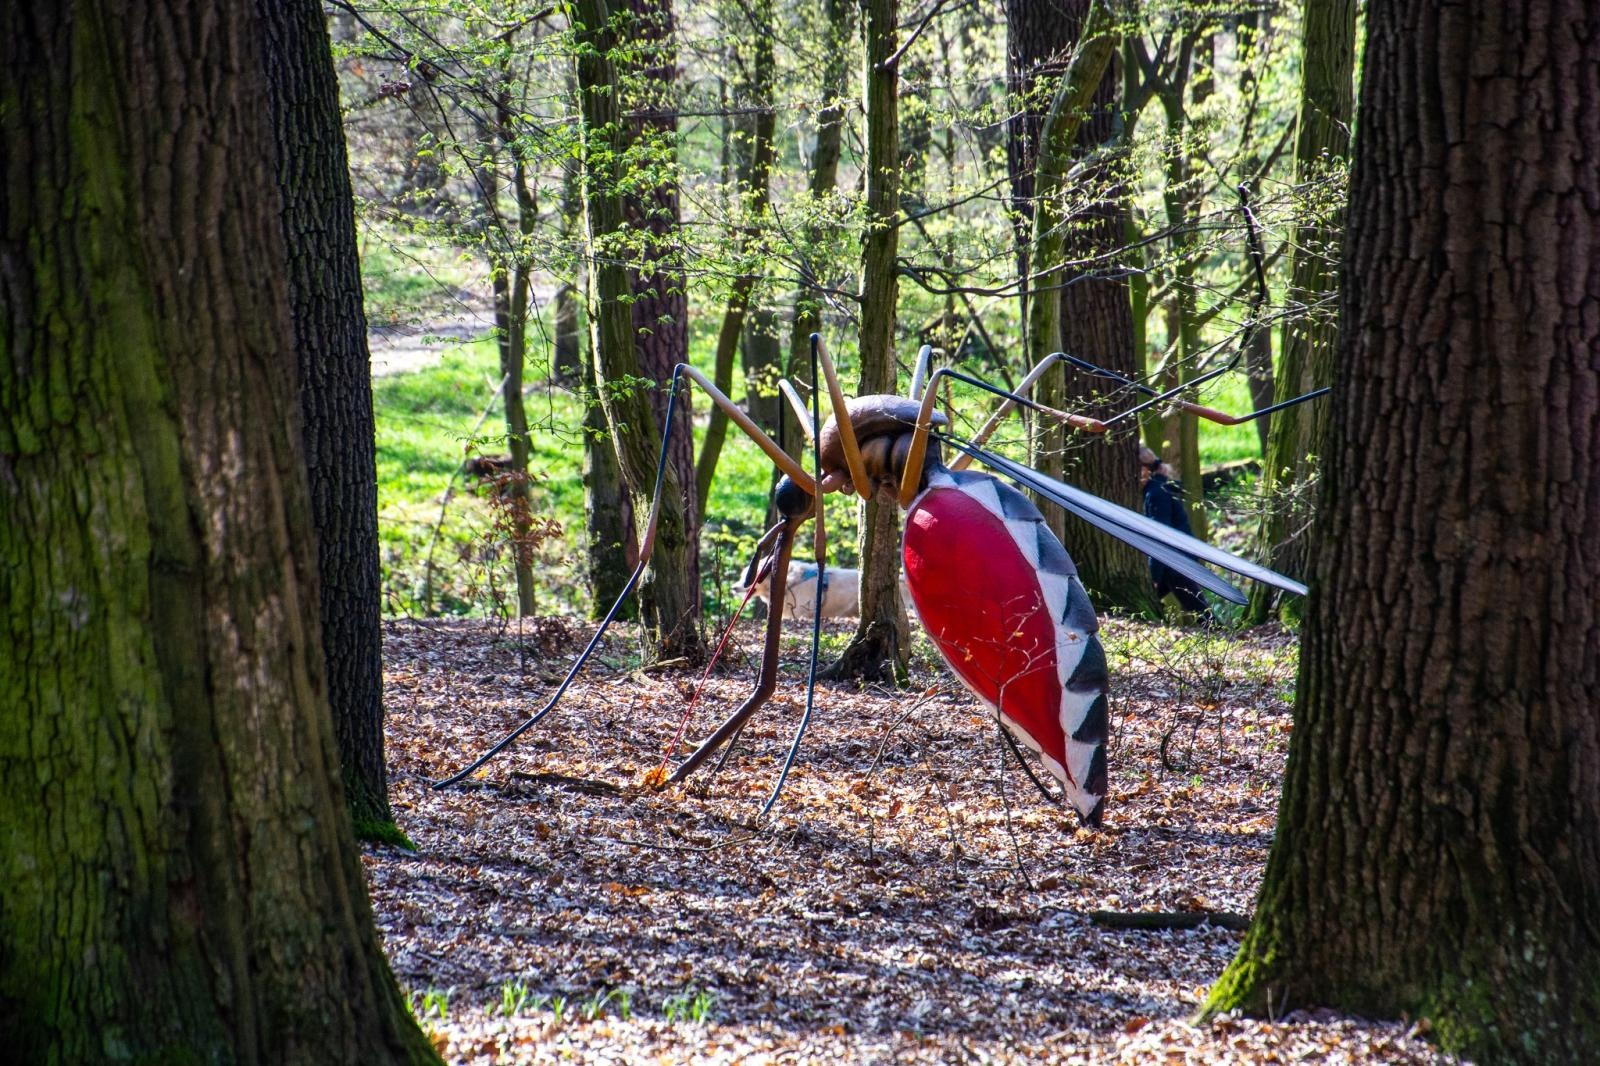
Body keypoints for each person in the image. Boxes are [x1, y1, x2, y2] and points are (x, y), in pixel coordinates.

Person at [1139, 446, 1214, 622]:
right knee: (1198, 608)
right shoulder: (1160, 488)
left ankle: (1225, 637)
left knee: (1200, 611)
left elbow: (1160, 537)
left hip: (1175, 562)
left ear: (1145, 469)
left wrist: (1155, 575)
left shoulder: (1156, 493)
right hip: (1176, 559)